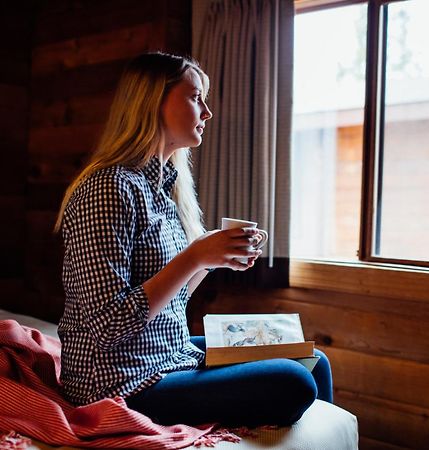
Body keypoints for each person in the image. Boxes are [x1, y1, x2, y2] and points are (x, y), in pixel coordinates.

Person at [55, 52, 332, 427]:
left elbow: (170, 302)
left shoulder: (162, 190)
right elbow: (108, 327)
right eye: (195, 97)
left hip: (166, 355)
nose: (207, 112)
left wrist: (211, 258)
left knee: (314, 362)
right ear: (153, 100)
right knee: (294, 380)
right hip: (121, 382)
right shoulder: (108, 188)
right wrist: (194, 255)